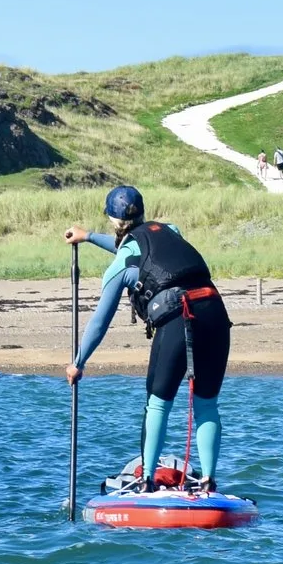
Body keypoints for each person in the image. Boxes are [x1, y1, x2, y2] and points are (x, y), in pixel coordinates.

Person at [63, 185, 232, 492]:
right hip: (215, 312)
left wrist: (78, 363)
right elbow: (138, 248)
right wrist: (87, 236)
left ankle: (147, 481)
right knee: (207, 405)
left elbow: (100, 322)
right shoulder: (169, 230)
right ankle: (208, 481)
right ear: (142, 212)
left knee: (158, 404)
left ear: (113, 221)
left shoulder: (121, 265)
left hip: (180, 317)